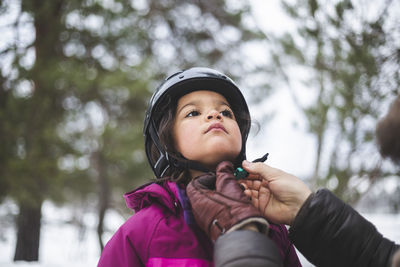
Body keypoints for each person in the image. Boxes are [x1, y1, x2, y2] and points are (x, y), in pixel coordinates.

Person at [97, 67, 301, 266]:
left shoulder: (270, 225)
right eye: (193, 113)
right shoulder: (140, 232)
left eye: (226, 112)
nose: (215, 114)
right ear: (167, 141)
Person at [239, 159, 400, 267]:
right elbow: (383, 259)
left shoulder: (274, 229)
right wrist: (302, 208)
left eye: (226, 112)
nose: (215, 115)